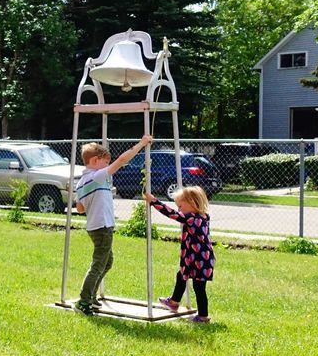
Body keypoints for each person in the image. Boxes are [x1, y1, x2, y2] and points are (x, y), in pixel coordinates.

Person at [73, 135, 153, 315]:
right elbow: (122, 160)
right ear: (95, 160)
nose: (108, 166)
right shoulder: (98, 176)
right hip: (102, 226)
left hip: (95, 226)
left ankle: (91, 296)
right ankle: (83, 301)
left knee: (107, 262)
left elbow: (79, 208)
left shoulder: (82, 182)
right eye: (105, 162)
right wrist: (142, 142)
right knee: (99, 264)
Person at [144, 186, 214, 323]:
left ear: (193, 203)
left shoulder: (192, 218)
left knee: (199, 287)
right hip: (198, 258)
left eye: (181, 206)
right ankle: (174, 301)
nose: (179, 209)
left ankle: (203, 316)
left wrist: (154, 201)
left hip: (199, 259)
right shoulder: (204, 217)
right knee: (181, 276)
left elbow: (172, 214)